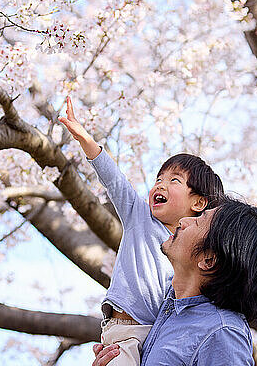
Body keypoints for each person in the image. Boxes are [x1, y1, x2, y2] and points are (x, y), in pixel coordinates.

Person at [58, 97, 224, 366]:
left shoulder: (194, 250)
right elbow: (114, 180)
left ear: (198, 202)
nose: (160, 185)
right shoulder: (140, 216)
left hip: (159, 335)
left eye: (174, 181)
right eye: (158, 179)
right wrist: (86, 140)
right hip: (123, 331)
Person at [92, 196, 257, 365]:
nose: (183, 221)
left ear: (208, 260)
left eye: (198, 221)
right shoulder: (164, 305)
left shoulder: (223, 334)